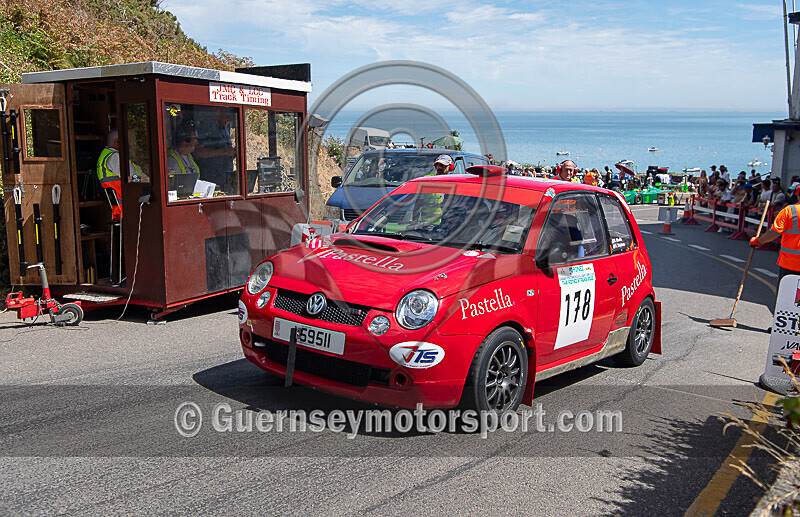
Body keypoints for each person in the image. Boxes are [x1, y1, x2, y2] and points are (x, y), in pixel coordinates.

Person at [751, 185, 800, 281]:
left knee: (786, 294)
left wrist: (758, 241)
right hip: (790, 263)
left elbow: (773, 233)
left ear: (797, 195)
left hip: (790, 264)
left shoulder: (789, 211)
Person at [194, 108, 235, 193]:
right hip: (211, 177)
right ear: (218, 112)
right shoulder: (206, 128)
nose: (228, 120)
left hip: (226, 176)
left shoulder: (225, 129)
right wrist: (223, 151)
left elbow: (227, 153)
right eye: (227, 116)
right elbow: (198, 152)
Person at [96, 130, 124, 220]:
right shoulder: (114, 157)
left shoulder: (105, 155)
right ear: (117, 141)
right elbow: (129, 175)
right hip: (127, 205)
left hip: (119, 209)